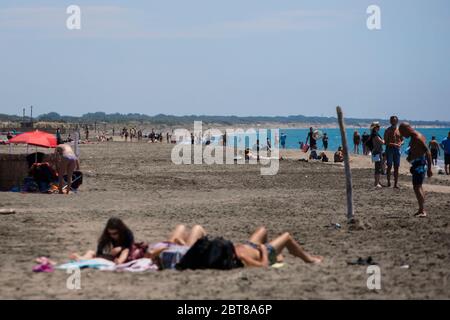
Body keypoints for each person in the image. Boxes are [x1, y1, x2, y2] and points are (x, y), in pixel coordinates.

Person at [234, 227, 323, 267]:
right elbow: (263, 265)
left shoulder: (224, 251)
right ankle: (309, 259)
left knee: (262, 230)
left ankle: (276, 255)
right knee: (287, 236)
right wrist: (264, 251)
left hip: (251, 246)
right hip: (263, 254)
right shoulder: (242, 256)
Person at [399, 123, 433, 217]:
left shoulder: (417, 138)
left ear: (407, 129)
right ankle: (421, 209)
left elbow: (428, 152)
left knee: (416, 187)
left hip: (420, 165)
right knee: (419, 186)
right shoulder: (414, 137)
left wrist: (430, 169)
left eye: (402, 132)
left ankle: (422, 210)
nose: (402, 135)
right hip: (418, 165)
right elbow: (417, 151)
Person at [69, 217, 136, 264]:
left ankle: (119, 262)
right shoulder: (107, 234)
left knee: (125, 251)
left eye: (115, 233)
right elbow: (100, 248)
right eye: (110, 233)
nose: (112, 235)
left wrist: (121, 248)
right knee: (91, 252)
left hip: (124, 255)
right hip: (111, 255)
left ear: (120, 231)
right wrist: (103, 255)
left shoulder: (127, 233)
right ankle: (81, 259)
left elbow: (130, 246)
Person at [384, 116, 403, 188]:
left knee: (397, 167)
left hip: (397, 150)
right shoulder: (387, 130)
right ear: (390, 121)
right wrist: (394, 144)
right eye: (392, 121)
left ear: (397, 121)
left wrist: (400, 143)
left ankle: (395, 184)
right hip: (389, 150)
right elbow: (385, 142)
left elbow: (402, 140)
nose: (393, 122)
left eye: (395, 121)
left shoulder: (399, 130)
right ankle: (388, 182)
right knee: (389, 166)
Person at [369, 122, 385, 189]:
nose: (379, 127)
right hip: (377, 152)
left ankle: (378, 181)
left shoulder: (373, 134)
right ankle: (376, 183)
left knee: (378, 167)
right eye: (378, 126)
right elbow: (381, 142)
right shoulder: (375, 134)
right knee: (377, 168)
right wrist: (384, 140)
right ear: (375, 127)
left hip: (376, 152)